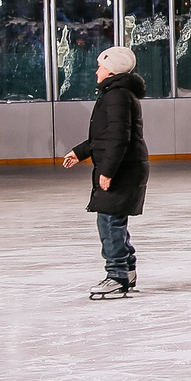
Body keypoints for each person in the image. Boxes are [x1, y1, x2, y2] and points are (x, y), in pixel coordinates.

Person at [63, 44, 147, 298]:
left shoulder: (117, 95)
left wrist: (108, 172)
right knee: (114, 221)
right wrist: (79, 152)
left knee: (109, 222)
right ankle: (126, 271)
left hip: (123, 169)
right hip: (125, 167)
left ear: (111, 71)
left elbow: (119, 137)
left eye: (100, 66)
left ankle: (117, 275)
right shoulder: (115, 93)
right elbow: (104, 136)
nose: (96, 71)